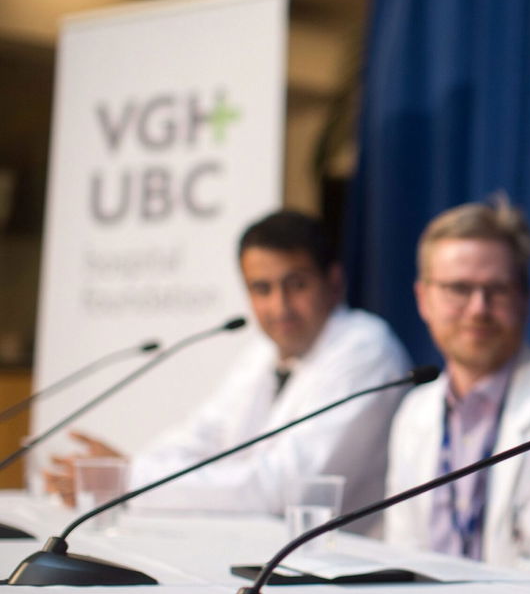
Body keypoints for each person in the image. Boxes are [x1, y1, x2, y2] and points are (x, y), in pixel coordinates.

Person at [48, 211, 412, 535]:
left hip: (348, 566)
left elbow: (283, 487)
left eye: (297, 285)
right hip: (264, 551)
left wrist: (130, 479)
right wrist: (129, 470)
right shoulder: (263, 351)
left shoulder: (365, 348)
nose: (279, 306)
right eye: (261, 289)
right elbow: (204, 436)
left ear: (333, 283)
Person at [384, 193, 530, 576]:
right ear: (423, 299)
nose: (478, 309)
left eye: (496, 290)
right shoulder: (415, 411)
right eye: (459, 289)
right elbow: (404, 553)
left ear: (525, 297)